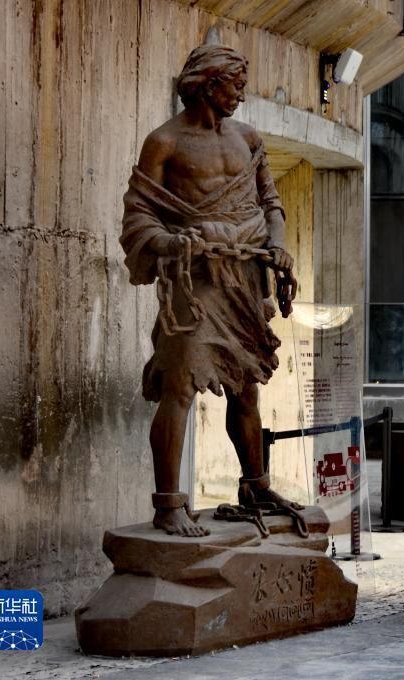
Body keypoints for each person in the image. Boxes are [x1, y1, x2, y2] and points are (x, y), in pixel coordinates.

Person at [120, 44, 301, 537]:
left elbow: (271, 204)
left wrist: (278, 246)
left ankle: (255, 485)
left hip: (245, 277)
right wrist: (172, 242)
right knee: (179, 386)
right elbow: (138, 215)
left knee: (245, 387)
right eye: (235, 84)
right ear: (208, 84)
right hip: (196, 279)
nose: (241, 94)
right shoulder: (165, 142)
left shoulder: (248, 137)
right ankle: (168, 504)